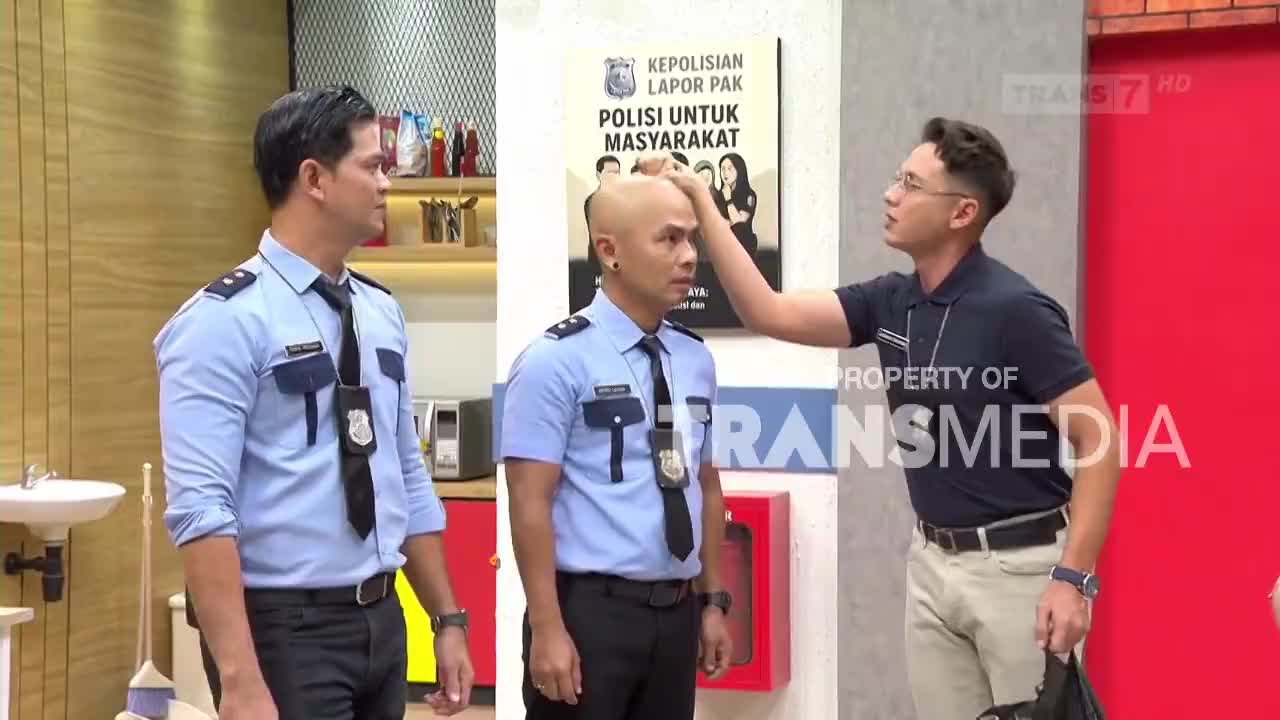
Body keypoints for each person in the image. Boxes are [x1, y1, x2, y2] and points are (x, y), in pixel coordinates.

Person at [642, 117, 1122, 719]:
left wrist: (1073, 578)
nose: (892, 194)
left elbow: (1098, 439)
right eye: (898, 178)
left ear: (961, 213)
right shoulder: (892, 300)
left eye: (912, 184)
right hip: (932, 563)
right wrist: (703, 205)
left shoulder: (1016, 309)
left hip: (1021, 570)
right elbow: (768, 311)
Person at [154, 84, 474, 720]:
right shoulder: (221, 322)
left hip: (383, 623)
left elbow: (405, 475)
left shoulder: (380, 312)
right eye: (373, 165)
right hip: (284, 631)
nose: (388, 182)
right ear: (314, 178)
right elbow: (201, 511)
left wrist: (447, 618)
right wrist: (240, 678)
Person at [501, 173, 734, 720]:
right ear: (610, 252)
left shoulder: (695, 359)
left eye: (692, 239)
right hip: (589, 616)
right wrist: (547, 626)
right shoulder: (554, 360)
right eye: (669, 239)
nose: (688, 256)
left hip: (675, 614)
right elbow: (528, 502)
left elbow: (705, 484)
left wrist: (711, 601)